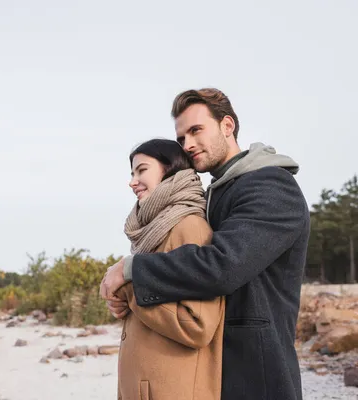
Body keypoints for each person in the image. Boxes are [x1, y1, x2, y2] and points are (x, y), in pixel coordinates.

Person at [100, 88, 310, 400]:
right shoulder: (216, 193)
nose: (188, 144)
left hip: (255, 375)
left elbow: (222, 265)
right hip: (213, 372)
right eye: (182, 137)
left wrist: (132, 271)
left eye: (196, 130)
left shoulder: (271, 186)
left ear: (228, 126)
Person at [116, 138, 225, 400]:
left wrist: (130, 289)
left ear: (171, 170)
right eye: (132, 173)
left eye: (142, 170)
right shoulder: (155, 232)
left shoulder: (189, 227)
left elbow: (197, 326)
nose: (132, 181)